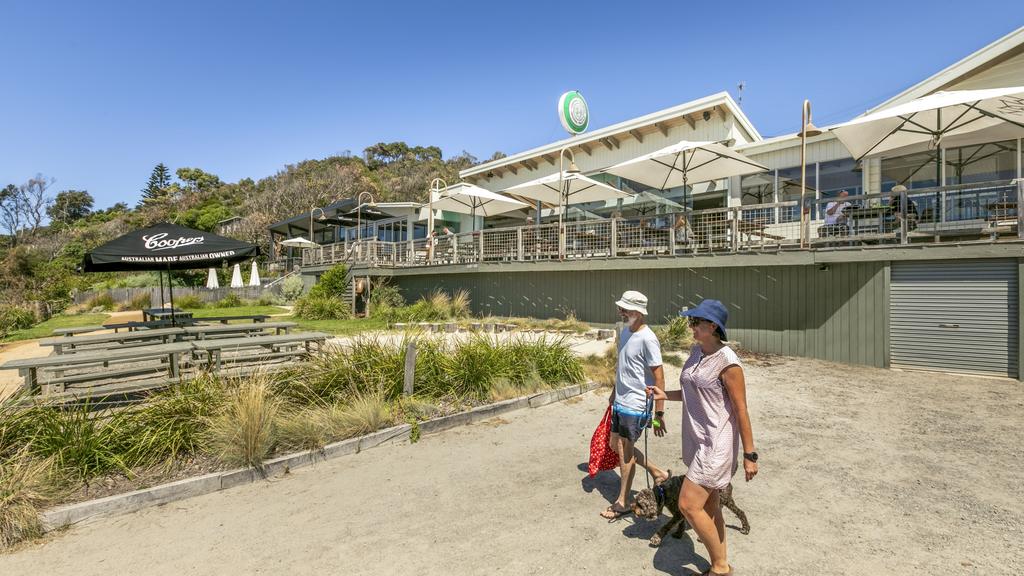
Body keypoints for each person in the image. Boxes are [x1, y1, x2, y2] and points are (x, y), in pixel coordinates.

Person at [649, 299, 757, 576]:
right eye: (691, 322)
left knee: (687, 504)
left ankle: (720, 569)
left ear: (713, 326)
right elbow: (691, 392)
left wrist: (749, 455)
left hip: (716, 445)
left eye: (696, 322)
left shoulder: (728, 363)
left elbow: (741, 409)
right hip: (698, 442)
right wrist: (665, 395)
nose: (691, 327)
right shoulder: (696, 352)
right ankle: (720, 562)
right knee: (710, 507)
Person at [600, 290, 670, 520]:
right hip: (621, 400)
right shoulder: (624, 332)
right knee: (614, 445)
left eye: (625, 309)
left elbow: (659, 377)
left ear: (639, 313)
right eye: (620, 307)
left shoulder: (648, 338)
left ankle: (622, 502)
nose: (621, 312)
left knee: (624, 452)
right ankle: (657, 471)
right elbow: (624, 367)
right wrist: (614, 392)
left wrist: (659, 413)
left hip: (637, 404)